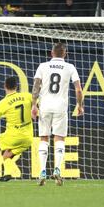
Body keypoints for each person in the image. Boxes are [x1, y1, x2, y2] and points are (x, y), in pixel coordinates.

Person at [31, 42, 84, 186]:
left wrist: (33, 105)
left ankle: (42, 171)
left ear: (51, 53)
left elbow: (36, 86)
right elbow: (78, 90)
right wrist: (79, 105)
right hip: (61, 107)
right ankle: (57, 170)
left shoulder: (43, 66)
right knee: (59, 138)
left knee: (44, 138)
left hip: (45, 106)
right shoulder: (70, 67)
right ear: (65, 54)